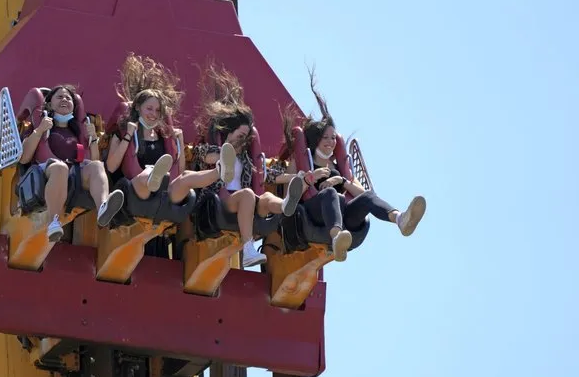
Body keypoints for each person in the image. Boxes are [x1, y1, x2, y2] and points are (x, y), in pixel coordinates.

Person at [283, 70, 426, 262]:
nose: (330, 142)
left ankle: (400, 219)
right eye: (325, 138)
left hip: (345, 217)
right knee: (330, 194)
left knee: (367, 196)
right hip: (312, 215)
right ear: (315, 139)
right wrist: (311, 177)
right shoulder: (301, 161)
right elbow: (288, 194)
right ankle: (336, 239)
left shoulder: (339, 168)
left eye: (333, 138)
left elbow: (360, 193)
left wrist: (341, 180)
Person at [192, 63, 305, 268]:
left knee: (267, 197)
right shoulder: (210, 148)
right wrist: (223, 154)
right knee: (247, 194)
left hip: (248, 203)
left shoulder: (244, 158)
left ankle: (286, 205)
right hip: (220, 201)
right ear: (229, 131)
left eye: (246, 137)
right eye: (240, 135)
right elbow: (205, 157)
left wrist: (295, 178)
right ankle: (248, 249)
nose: (243, 141)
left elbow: (267, 175)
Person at [105, 53, 237, 208]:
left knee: (186, 178)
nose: (153, 114)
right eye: (149, 109)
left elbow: (179, 172)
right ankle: (153, 177)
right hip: (135, 190)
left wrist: (179, 141)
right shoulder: (122, 132)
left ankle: (219, 171)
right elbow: (111, 167)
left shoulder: (162, 136)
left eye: (157, 111)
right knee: (147, 175)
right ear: (138, 108)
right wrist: (128, 135)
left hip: (163, 193)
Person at [19, 84, 125, 242]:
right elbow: (24, 158)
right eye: (59, 97)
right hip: (46, 172)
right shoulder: (40, 127)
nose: (64, 100)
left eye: (68, 98)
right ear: (49, 104)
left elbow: (94, 162)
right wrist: (40, 130)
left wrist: (93, 139)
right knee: (60, 168)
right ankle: (53, 222)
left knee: (97, 166)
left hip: (73, 174)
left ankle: (103, 207)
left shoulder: (77, 132)